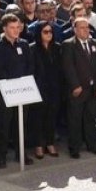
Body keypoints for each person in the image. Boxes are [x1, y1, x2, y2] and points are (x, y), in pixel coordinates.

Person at [0, 14, 33, 167]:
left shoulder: (24, 44)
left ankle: (21, 153)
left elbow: (29, 65)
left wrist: (24, 81)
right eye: (12, 28)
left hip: (23, 89)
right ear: (4, 28)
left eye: (18, 27)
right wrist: (11, 84)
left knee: (21, 123)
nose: (16, 31)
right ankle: (1, 156)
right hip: (7, 91)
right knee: (4, 124)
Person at [61, 17, 96, 158]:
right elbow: (68, 67)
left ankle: (93, 145)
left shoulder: (95, 44)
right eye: (82, 27)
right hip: (78, 89)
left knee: (92, 118)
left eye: (87, 27)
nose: (86, 30)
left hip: (93, 89)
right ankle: (74, 147)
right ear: (75, 29)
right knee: (75, 119)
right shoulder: (69, 45)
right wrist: (75, 85)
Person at [28, 21, 62, 159]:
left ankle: (49, 142)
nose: (49, 34)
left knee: (51, 116)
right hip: (38, 87)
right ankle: (38, 145)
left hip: (54, 87)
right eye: (45, 32)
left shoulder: (57, 47)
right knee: (38, 118)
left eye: (50, 32)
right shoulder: (32, 48)